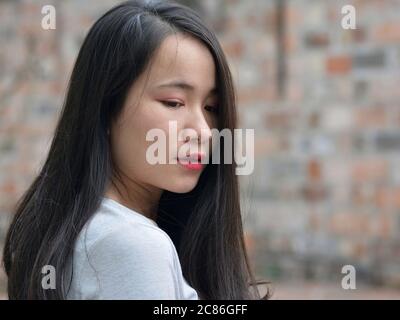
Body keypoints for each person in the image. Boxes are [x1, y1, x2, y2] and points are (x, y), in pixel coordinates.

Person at [2, 0, 269, 300]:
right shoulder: (135, 246)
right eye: (173, 103)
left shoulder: (66, 232)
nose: (204, 131)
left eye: (212, 108)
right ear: (105, 108)